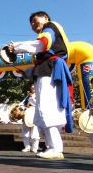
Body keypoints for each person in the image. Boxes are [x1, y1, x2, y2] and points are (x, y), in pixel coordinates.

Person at [8, 11, 73, 159]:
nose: (33, 23)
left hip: (50, 72)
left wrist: (17, 47)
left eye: (35, 20)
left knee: (47, 108)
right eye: (31, 23)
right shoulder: (48, 33)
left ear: (46, 18)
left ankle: (55, 148)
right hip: (48, 71)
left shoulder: (50, 28)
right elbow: (44, 57)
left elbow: (42, 45)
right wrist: (29, 72)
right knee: (44, 110)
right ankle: (52, 147)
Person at [19, 84, 40, 153]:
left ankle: (35, 148)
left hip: (35, 114)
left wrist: (32, 99)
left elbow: (39, 104)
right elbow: (21, 104)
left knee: (35, 131)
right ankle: (27, 147)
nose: (33, 88)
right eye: (32, 87)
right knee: (25, 131)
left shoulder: (39, 95)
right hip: (27, 114)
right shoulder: (28, 96)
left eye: (34, 86)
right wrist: (24, 107)